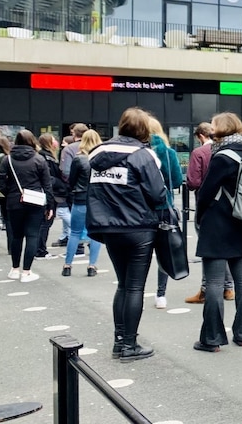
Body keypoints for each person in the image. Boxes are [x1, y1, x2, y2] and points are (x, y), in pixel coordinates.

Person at [87, 107, 167, 362]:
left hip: (107, 226)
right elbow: (158, 195)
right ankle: (129, 345)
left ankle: (119, 340)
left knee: (123, 285)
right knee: (134, 287)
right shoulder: (144, 155)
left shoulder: (97, 153)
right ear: (144, 129)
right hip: (138, 226)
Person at [193, 112, 242, 352]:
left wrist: (199, 218)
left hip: (218, 224)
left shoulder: (222, 156)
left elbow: (206, 192)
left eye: (213, 123)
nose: (210, 126)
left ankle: (212, 338)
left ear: (221, 128)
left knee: (214, 282)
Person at [183, 121, 234, 304]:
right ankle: (228, 287)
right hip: (228, 207)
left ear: (201, 136)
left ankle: (206, 290)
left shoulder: (199, 153)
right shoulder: (228, 151)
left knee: (208, 250)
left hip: (206, 207)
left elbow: (193, 182)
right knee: (224, 248)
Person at [0, 130, 52, 283]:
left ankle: (14, 269)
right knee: (32, 235)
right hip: (35, 202)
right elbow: (47, 185)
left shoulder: (7, 160)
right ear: (32, 141)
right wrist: (50, 206)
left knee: (17, 236)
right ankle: (26, 272)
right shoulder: (39, 160)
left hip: (14, 202)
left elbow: (0, 183)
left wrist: (11, 193)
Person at [147, 116, 183, 309]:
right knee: (163, 251)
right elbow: (176, 181)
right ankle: (161, 294)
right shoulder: (167, 153)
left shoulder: (136, 151)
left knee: (140, 252)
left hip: (139, 210)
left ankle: (135, 289)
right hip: (163, 207)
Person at [63, 129, 103, 277]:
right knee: (95, 234)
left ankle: (67, 265)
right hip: (97, 200)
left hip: (80, 198)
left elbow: (71, 181)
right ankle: (92, 266)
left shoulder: (79, 159)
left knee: (74, 232)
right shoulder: (102, 159)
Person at [54, 122, 88, 249]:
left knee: (76, 224)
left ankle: (78, 249)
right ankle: (92, 251)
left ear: (74, 134)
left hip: (77, 189)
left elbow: (66, 171)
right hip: (94, 189)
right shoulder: (96, 147)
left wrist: (70, 184)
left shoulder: (69, 149)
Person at [35, 133, 66, 259]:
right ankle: (41, 250)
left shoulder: (44, 156)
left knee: (44, 222)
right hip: (50, 193)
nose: (56, 143)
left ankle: (40, 248)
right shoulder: (46, 158)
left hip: (48, 192)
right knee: (46, 222)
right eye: (54, 140)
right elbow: (49, 178)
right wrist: (62, 185)